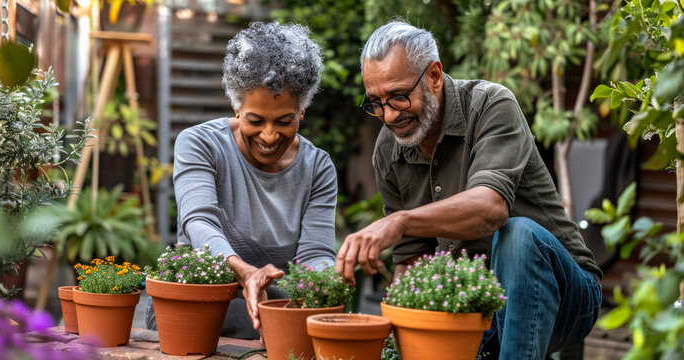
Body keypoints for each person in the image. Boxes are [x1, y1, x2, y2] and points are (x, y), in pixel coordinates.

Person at [335, 20, 602, 359]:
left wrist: (398, 221)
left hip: (568, 297)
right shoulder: (388, 151)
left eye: (399, 97)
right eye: (375, 102)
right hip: (476, 311)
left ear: (433, 75)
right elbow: (411, 261)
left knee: (518, 235)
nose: (388, 115)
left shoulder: (491, 105)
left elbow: (491, 208)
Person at [146, 21, 338, 339]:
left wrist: (329, 281)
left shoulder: (318, 168)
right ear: (236, 107)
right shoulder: (200, 144)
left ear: (302, 110)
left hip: (277, 322)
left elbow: (316, 254)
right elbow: (199, 221)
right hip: (197, 317)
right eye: (255, 120)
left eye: (285, 120)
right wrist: (245, 272)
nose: (269, 135)